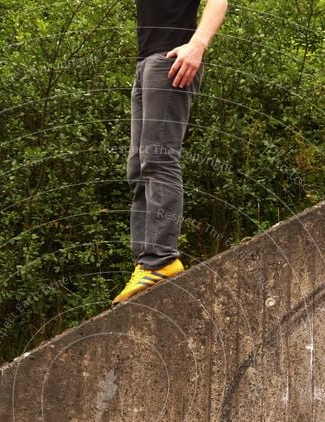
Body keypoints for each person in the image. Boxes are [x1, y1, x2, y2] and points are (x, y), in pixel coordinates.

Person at [112, 0, 228, 305]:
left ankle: (160, 259)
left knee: (158, 159)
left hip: (172, 59)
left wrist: (197, 45)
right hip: (146, 63)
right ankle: (145, 263)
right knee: (138, 168)